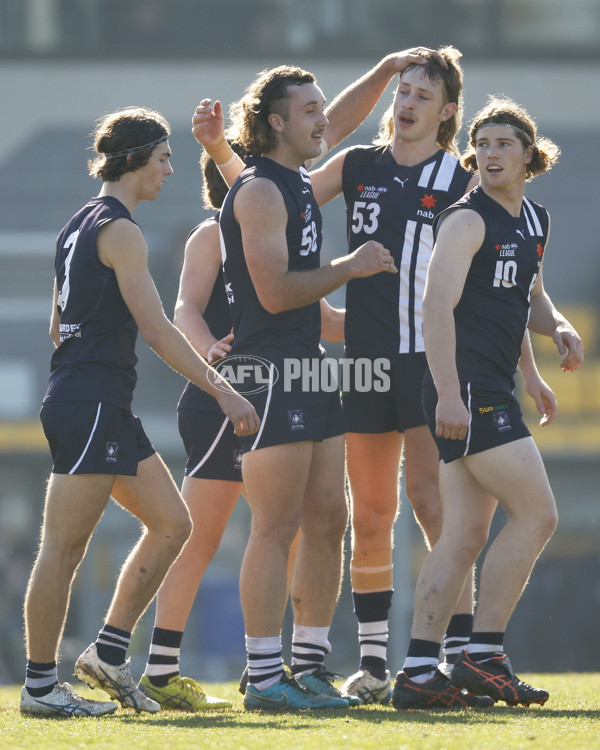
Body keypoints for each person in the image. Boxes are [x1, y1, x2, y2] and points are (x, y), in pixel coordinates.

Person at [196, 46, 550, 705]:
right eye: (402, 91)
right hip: (360, 362)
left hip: (425, 361)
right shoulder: (356, 164)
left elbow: (505, 279)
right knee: (366, 512)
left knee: (431, 501)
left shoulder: (462, 178)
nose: (407, 102)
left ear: (447, 112)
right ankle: (372, 664)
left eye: (421, 93)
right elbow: (273, 183)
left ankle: (450, 654)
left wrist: (531, 358)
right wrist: (222, 151)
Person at [20, 107, 259, 718]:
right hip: (91, 402)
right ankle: (41, 688)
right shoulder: (122, 230)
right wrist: (223, 391)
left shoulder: (77, 224)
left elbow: (56, 327)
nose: (170, 172)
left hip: (96, 400)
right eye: (162, 160)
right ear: (133, 161)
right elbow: (156, 329)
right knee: (63, 549)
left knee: (174, 524)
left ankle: (106, 651)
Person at [214, 62, 404, 711]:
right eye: (309, 110)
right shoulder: (263, 190)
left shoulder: (296, 178)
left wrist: (386, 69)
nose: (325, 120)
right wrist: (349, 267)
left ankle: (309, 665)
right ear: (275, 122)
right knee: (276, 525)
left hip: (312, 365)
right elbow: (273, 293)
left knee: (330, 520)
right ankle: (265, 676)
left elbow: (345, 120)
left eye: (323, 108)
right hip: (269, 372)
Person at [391, 96, 583, 710]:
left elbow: (528, 296)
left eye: (505, 143)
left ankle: (420, 672)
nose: (492, 153)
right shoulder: (466, 220)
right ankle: (483, 653)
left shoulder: (533, 220)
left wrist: (552, 339)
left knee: (464, 536)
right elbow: (435, 308)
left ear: (531, 155)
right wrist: (449, 392)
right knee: (539, 515)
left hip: (491, 385)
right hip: (465, 387)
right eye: (484, 143)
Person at [137, 143, 343, 710]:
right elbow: (183, 309)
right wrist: (213, 361)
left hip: (279, 388)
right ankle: (159, 669)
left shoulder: (286, 235)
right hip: (223, 398)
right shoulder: (213, 233)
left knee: (297, 527)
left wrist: (405, 323)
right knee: (200, 535)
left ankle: (291, 666)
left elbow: (325, 320)